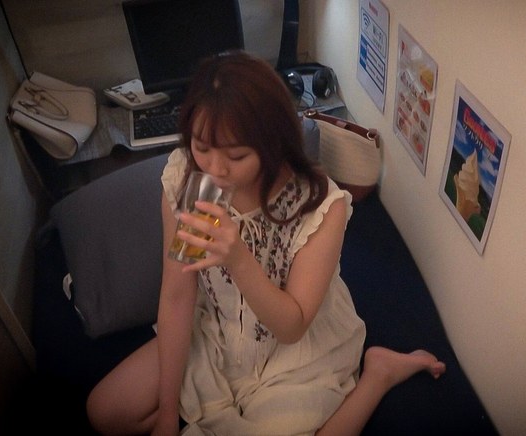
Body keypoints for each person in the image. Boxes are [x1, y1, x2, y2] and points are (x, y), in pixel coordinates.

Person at [86, 50, 446, 436]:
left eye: (236, 155)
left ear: (273, 143)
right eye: (202, 147)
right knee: (105, 411)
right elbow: (176, 295)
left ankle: (378, 374)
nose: (214, 169)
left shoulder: (322, 206)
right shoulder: (185, 180)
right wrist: (167, 413)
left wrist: (238, 258)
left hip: (296, 347)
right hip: (219, 329)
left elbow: (292, 327)